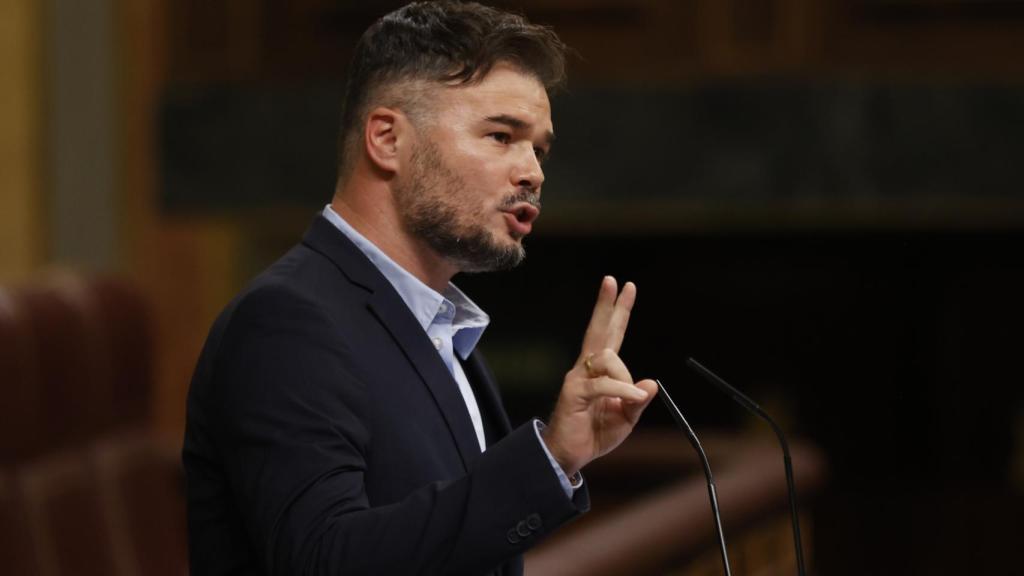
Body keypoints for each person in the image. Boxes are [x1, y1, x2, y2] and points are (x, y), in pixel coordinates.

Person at [182, 2, 658, 575]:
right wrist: (549, 457)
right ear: (386, 140)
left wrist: (562, 459)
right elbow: (324, 560)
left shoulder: (442, 328)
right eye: (502, 135)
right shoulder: (286, 321)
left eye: (539, 148)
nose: (533, 171)